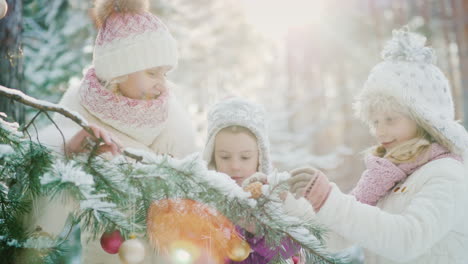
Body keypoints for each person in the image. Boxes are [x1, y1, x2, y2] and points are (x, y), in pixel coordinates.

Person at [24, 0, 197, 263]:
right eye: (152, 73)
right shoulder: (79, 114)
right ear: (118, 71)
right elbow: (39, 221)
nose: (162, 85)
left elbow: (201, 190)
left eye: (164, 74)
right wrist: (67, 154)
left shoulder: (172, 118)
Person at [287, 27, 468, 264]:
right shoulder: (387, 177)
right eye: (375, 121)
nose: (380, 132)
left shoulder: (446, 173)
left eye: (391, 120)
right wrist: (285, 203)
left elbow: (407, 239)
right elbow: (339, 235)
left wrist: (328, 199)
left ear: (424, 119)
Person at [203, 97, 304, 264]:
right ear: (212, 157)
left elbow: (293, 246)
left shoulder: (272, 195)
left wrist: (257, 232)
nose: (235, 166)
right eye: (225, 156)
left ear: (260, 157)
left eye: (245, 157)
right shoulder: (203, 198)